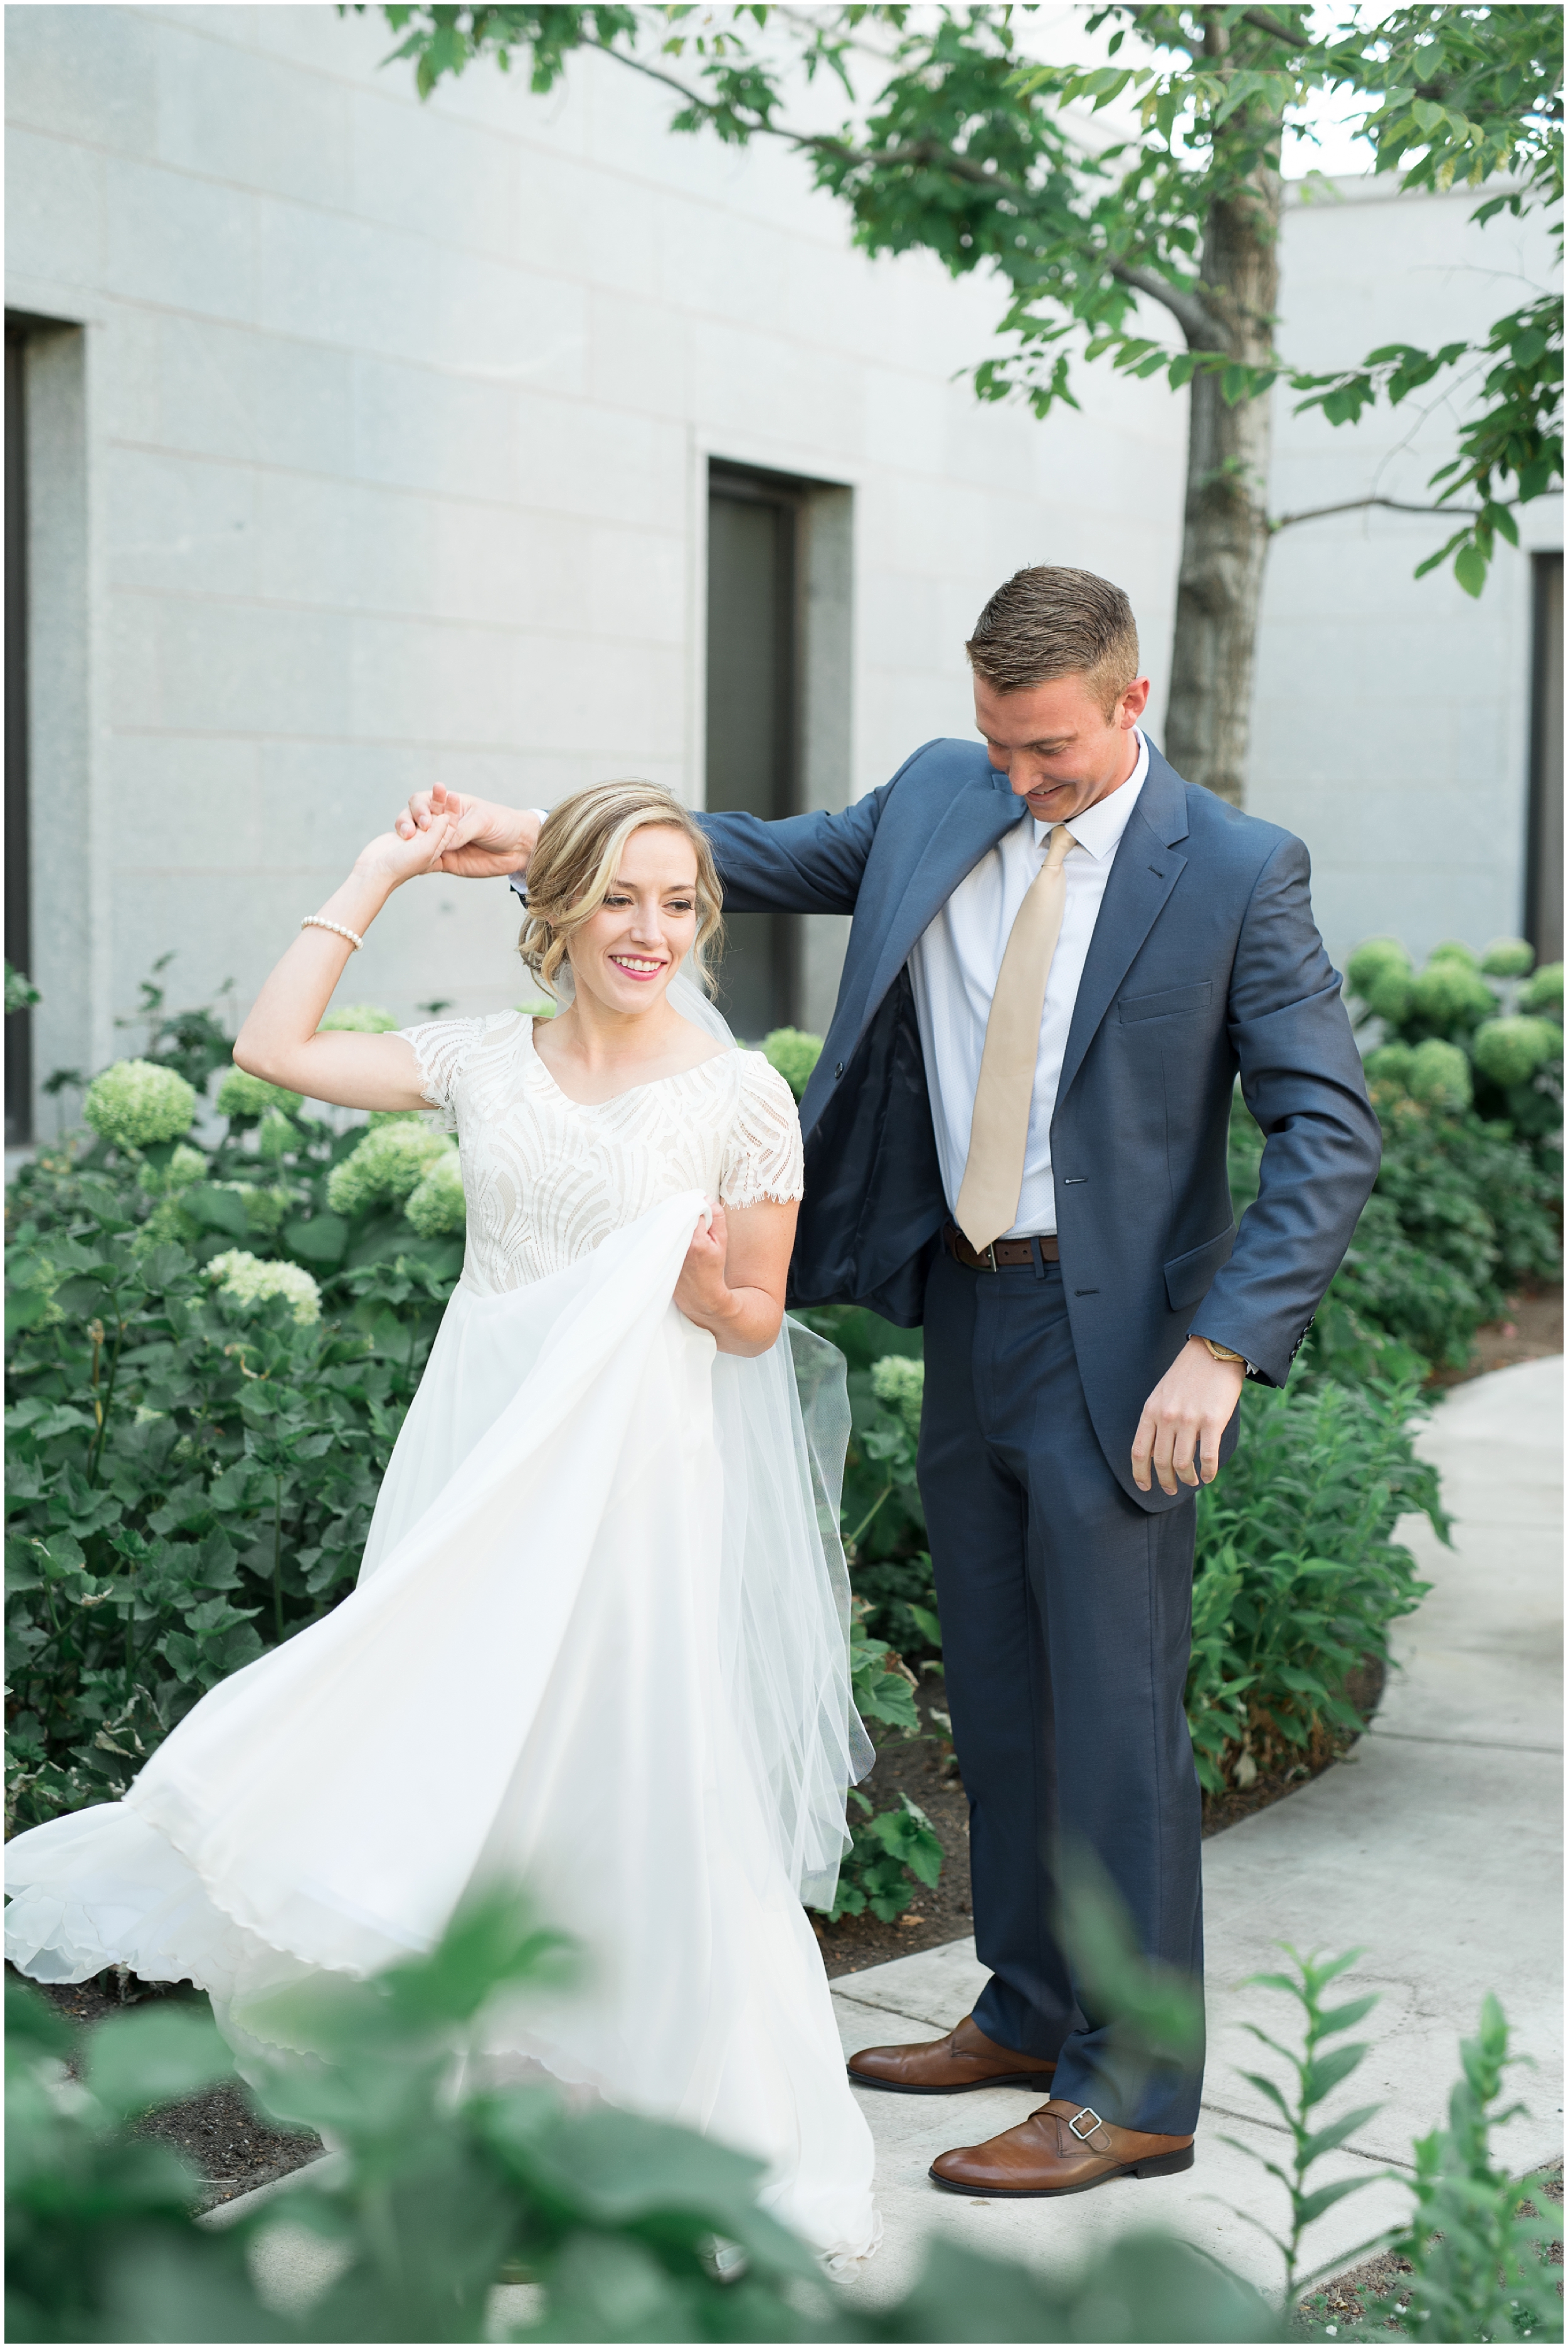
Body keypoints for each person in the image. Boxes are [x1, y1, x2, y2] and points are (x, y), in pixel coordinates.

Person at [390, 565, 1382, 2199]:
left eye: (1046, 750)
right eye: (996, 742)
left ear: (1131, 704)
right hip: (966, 1305)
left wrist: (1220, 1344)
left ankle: (1129, 2087)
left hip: (1123, 1341)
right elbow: (754, 854)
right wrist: (540, 830)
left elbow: (1325, 1134)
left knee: (1115, 1719)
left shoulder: (1236, 875)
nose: (1014, 778)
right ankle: (1025, 2006)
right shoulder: (943, 788)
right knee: (994, 1691)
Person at [4, 780, 879, 2266]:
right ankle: (481, 2127)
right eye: (619, 897)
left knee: (624, 1775)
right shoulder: (484, 1062)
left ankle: (673, 2118)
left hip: (635, 1484)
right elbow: (269, 1046)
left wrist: (691, 1286)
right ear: (557, 911)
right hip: (477, 1453)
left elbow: (750, 1326)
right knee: (457, 1764)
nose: (651, 931)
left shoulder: (737, 1095)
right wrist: (380, 869)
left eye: (678, 903)